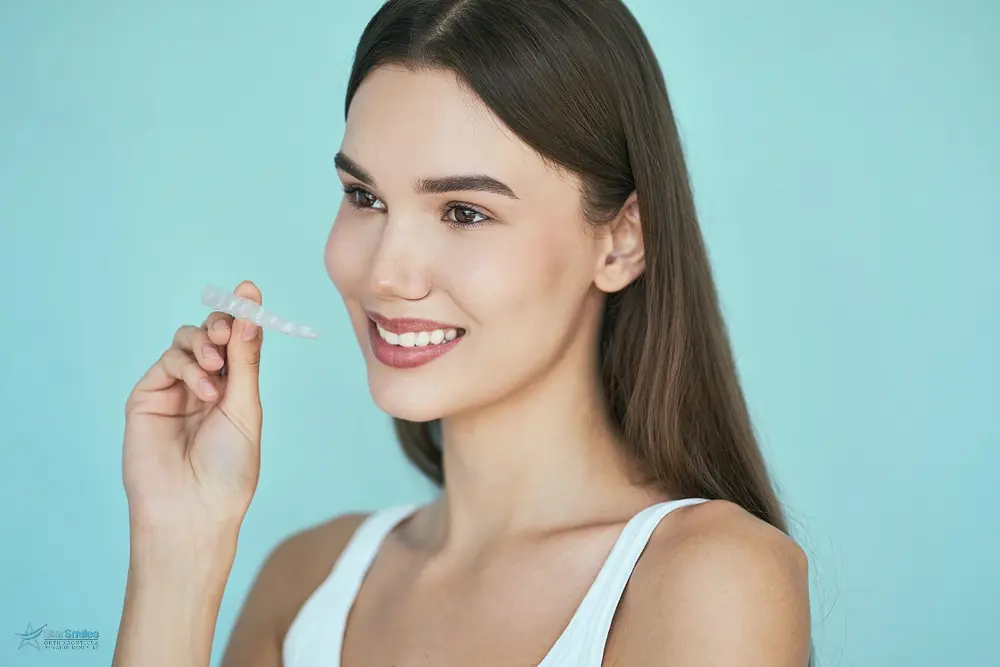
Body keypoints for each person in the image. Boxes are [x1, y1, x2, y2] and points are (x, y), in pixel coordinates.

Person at [112, 1, 813, 665]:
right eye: (365, 197)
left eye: (464, 212)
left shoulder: (710, 578)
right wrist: (178, 549)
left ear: (621, 241)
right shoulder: (303, 585)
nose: (387, 274)